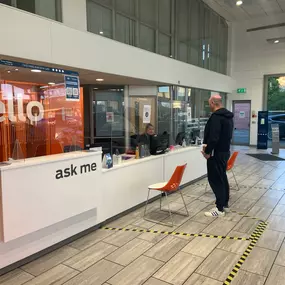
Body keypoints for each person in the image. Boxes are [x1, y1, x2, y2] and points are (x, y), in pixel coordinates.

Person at [201, 95, 234, 217]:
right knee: (222, 177)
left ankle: (219, 209)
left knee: (215, 179)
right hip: (225, 151)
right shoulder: (228, 117)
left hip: (216, 153)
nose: (209, 106)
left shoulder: (216, 117)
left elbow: (214, 138)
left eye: (209, 103)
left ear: (214, 103)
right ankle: (224, 204)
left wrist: (208, 151)